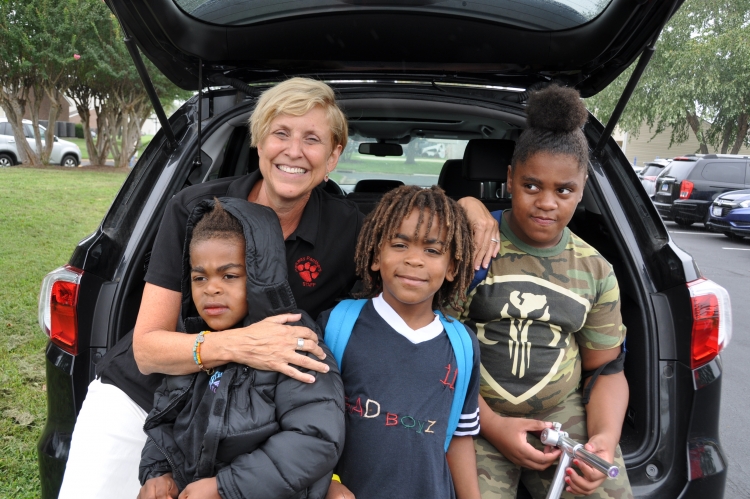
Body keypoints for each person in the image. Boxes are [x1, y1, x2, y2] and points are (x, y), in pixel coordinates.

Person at [59, 77, 500, 499]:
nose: (294, 151)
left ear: (333, 155)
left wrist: (468, 204)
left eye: (312, 139)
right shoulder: (195, 209)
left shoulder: (348, 231)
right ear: (259, 141)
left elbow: (408, 250)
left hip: (250, 426)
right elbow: (148, 350)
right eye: (281, 133)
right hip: (144, 396)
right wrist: (242, 345)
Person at [457, 85, 633, 498]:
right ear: (510, 179)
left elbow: (606, 370)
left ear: (582, 186)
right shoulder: (473, 245)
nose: (546, 203)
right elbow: (433, 351)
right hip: (474, 416)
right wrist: (493, 426)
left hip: (561, 420)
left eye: (563, 190)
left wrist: (604, 440)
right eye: (532, 186)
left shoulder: (595, 269)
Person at [137, 197, 344, 499]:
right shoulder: (197, 341)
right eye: (199, 277)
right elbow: (165, 419)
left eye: (229, 275)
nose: (211, 288)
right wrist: (158, 473)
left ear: (260, 276)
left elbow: (315, 439)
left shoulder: (293, 341)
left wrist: (224, 487)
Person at [320, 185, 482, 499]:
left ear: (452, 267)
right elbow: (305, 424)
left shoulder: (462, 346)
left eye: (432, 251)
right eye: (399, 244)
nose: (414, 260)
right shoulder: (336, 326)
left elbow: (460, 437)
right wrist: (327, 483)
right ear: (375, 255)